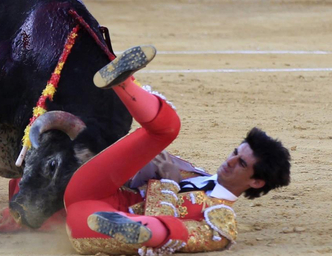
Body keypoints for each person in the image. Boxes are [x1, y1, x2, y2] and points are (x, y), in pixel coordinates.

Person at [63, 45, 292, 254]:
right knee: (167, 130)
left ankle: (135, 227)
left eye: (241, 163)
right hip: (91, 189)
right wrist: (144, 160)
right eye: (235, 153)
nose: (230, 161)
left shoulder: (220, 221)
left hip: (88, 222)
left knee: (176, 233)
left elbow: (180, 241)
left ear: (257, 182)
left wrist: (169, 184)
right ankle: (124, 83)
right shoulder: (193, 172)